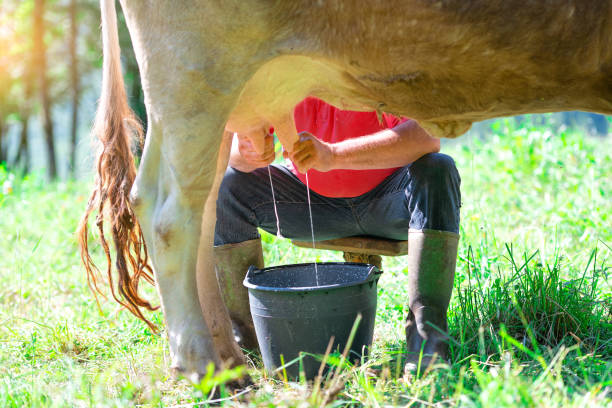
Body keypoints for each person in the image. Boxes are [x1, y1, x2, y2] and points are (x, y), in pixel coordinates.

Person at [214, 96, 461, 370]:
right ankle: (246, 344)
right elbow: (237, 154)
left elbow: (427, 136)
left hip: (390, 200)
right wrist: (248, 151)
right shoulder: (285, 72)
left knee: (439, 168)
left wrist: (333, 155)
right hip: (311, 202)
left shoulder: (374, 61)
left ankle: (427, 336)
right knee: (228, 185)